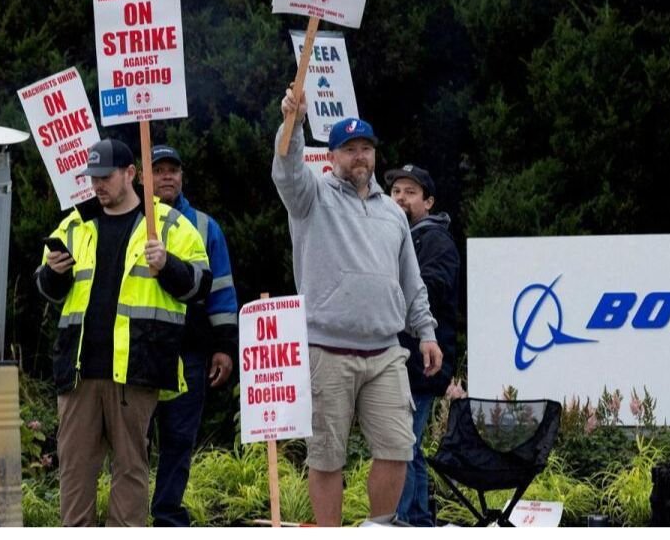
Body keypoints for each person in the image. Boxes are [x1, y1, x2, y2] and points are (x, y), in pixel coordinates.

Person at [271, 90, 442, 527]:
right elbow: (287, 171)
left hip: (386, 351)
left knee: (398, 447)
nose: (359, 157)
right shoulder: (310, 198)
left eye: (365, 148)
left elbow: (411, 280)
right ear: (331, 157)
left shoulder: (393, 213)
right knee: (327, 455)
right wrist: (292, 122)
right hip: (327, 349)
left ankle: (379, 529)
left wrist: (426, 332)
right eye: (349, 149)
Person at [34, 138, 210, 527]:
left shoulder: (169, 224)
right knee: (75, 472)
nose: (97, 184)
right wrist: (53, 272)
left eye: (105, 176)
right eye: (92, 177)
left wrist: (168, 265)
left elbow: (200, 286)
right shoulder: (74, 224)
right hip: (79, 371)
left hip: (136, 368)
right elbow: (46, 289)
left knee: (131, 470)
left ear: (130, 174)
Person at [147, 144, 239, 527]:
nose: (167, 176)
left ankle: (167, 517)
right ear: (142, 176)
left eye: (174, 170)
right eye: (159, 169)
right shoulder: (129, 220)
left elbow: (221, 289)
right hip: (137, 351)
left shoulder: (204, 226)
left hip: (189, 352)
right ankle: (130, 518)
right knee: (132, 442)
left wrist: (224, 347)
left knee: (179, 439)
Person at [385, 164, 461, 527]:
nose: (401, 198)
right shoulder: (391, 236)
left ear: (428, 202)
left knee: (403, 447)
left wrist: (385, 292)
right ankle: (414, 520)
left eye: (410, 192)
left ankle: (409, 521)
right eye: (396, 191)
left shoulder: (435, 240)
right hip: (398, 361)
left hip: (422, 364)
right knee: (406, 448)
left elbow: (431, 288)